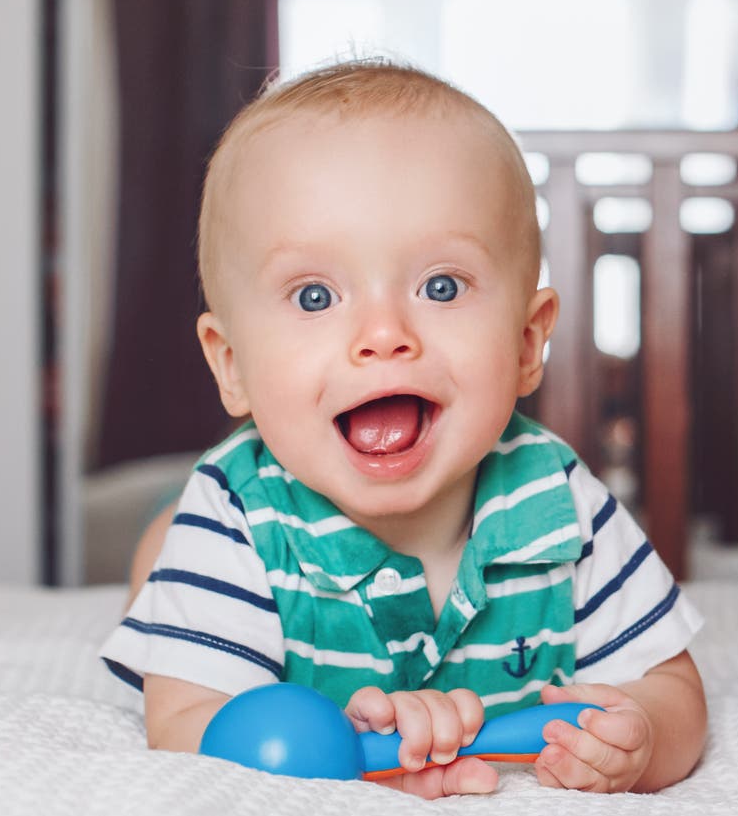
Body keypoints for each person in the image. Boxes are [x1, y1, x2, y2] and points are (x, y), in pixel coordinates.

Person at [102, 61, 707, 800]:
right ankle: (158, 559)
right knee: (176, 548)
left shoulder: (558, 501)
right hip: (223, 541)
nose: (383, 334)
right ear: (231, 366)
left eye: (441, 286)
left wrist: (635, 738)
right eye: (316, 294)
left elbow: (671, 691)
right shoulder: (236, 517)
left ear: (526, 342)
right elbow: (188, 721)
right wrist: (364, 752)